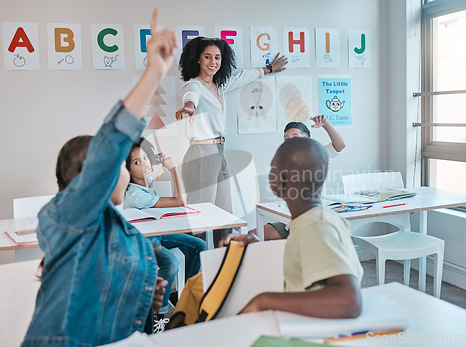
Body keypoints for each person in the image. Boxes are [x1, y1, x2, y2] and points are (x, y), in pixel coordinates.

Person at [22, 9, 176, 345]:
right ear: (94, 178)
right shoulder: (67, 215)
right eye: (120, 165)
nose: (124, 169)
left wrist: (144, 293)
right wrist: (153, 73)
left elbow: (109, 298)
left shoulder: (118, 228)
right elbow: (109, 151)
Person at [221, 137, 363, 318]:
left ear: (280, 181)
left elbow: (349, 301)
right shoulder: (315, 219)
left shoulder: (315, 225)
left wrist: (263, 300)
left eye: (272, 169)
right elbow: (305, 259)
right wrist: (259, 247)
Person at [175, 37, 287, 243]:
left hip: (219, 152)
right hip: (201, 153)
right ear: (198, 60)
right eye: (207, 56)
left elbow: (242, 77)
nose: (213, 62)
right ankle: (195, 266)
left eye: (217, 57)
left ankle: (224, 262)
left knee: (224, 214)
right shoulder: (194, 85)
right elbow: (190, 97)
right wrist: (189, 107)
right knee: (199, 215)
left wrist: (269, 69)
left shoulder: (217, 86)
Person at [124, 137, 206, 319]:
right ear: (128, 170)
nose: (145, 164)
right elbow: (179, 201)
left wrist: (159, 163)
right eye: (137, 162)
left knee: (200, 246)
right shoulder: (135, 195)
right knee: (170, 263)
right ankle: (158, 314)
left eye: (146, 158)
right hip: (144, 239)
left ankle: (184, 297)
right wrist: (174, 169)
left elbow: (153, 175)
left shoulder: (145, 182)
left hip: (158, 232)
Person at [252, 114, 346, 240]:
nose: (290, 142)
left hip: (308, 223)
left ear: (308, 139)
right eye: (286, 139)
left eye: (295, 137)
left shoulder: (316, 155)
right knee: (248, 236)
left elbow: (339, 146)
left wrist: (326, 125)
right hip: (289, 222)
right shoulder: (284, 160)